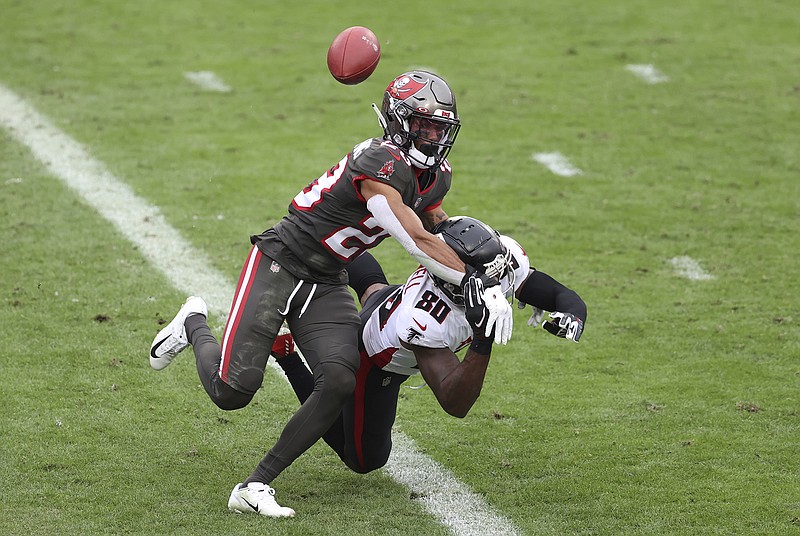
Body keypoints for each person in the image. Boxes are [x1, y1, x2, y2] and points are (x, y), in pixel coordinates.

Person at [148, 72, 514, 517]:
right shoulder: (380, 164)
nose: (433, 137)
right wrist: (473, 283)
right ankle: (193, 322)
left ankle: (255, 485)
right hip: (281, 262)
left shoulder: (433, 176)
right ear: (399, 122)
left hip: (327, 280)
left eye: (441, 128)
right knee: (233, 391)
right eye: (423, 126)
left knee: (340, 379)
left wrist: (495, 269)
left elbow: (437, 224)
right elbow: (414, 237)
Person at [270, 216, 586, 475]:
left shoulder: (495, 260)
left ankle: (324, 249)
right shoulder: (422, 319)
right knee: (364, 461)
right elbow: (455, 403)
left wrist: (573, 311)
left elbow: (545, 288)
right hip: (374, 357)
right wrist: (482, 336)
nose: (495, 283)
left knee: (375, 291)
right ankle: (288, 355)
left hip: (388, 300)